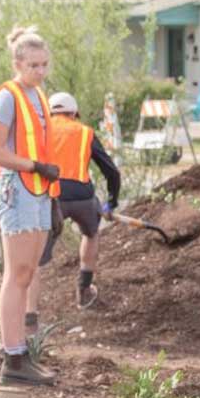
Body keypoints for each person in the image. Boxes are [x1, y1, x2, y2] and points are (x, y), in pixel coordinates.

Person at [0, 27, 60, 387]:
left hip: (41, 190)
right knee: (16, 274)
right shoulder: (8, 97)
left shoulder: (39, 95)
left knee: (29, 272)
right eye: (33, 65)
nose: (40, 71)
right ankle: (12, 356)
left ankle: (21, 354)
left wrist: (52, 192)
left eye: (44, 65)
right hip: (17, 188)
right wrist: (33, 167)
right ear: (17, 63)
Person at [26, 91, 121, 313]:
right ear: (75, 113)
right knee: (90, 234)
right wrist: (110, 202)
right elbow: (112, 172)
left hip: (51, 198)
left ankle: (29, 314)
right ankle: (84, 291)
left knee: (36, 256)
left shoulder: (40, 131)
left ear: (49, 113)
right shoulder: (85, 132)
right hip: (83, 196)